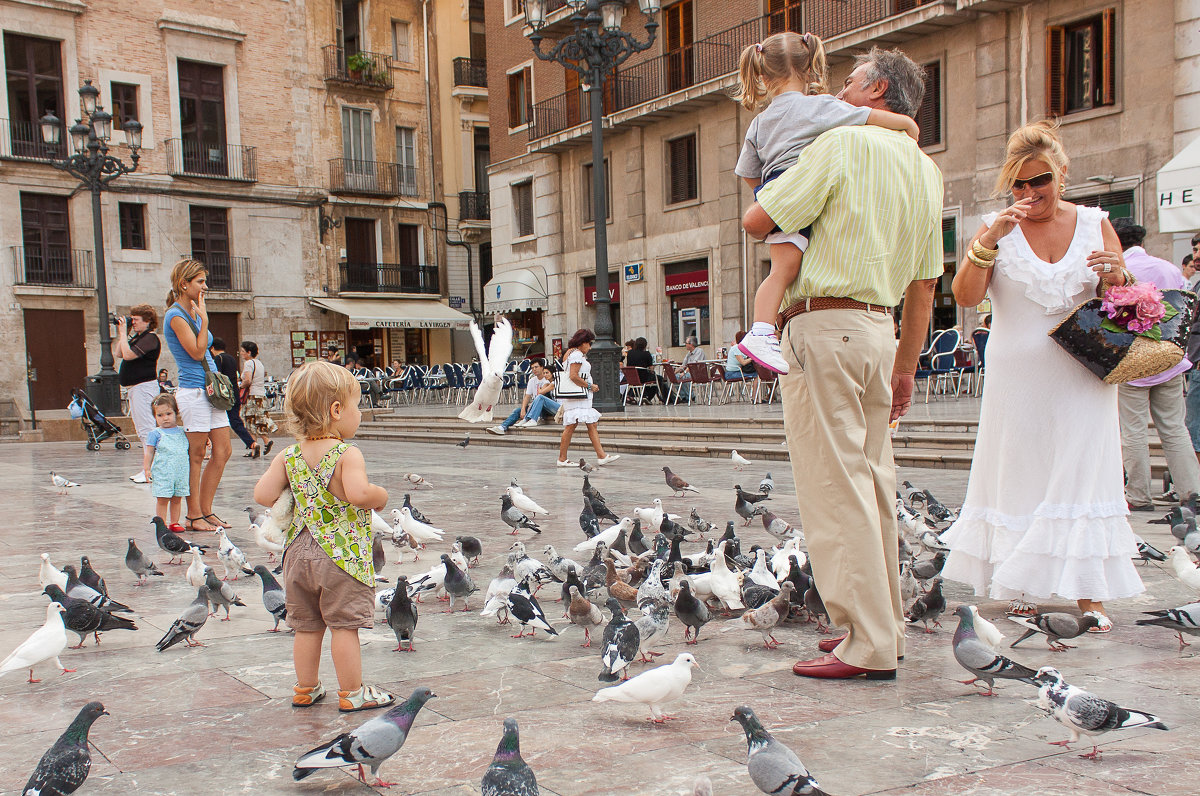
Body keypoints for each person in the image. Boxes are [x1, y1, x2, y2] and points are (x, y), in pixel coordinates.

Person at [742, 46, 942, 680]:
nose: (841, 92)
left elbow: (758, 218)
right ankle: (886, 629)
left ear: (877, 89)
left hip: (823, 323)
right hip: (881, 332)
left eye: (852, 82)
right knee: (876, 482)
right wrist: (907, 365)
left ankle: (866, 642)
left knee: (836, 488)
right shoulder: (923, 168)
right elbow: (924, 286)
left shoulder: (835, 144)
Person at [940, 120, 1144, 632]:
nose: (1031, 193)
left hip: (1083, 372)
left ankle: (1088, 593)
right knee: (1021, 471)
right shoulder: (997, 226)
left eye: (1041, 180)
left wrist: (1116, 275)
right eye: (1020, 183)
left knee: (1084, 470)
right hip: (1017, 376)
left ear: (1062, 174)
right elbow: (966, 297)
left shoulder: (1097, 222)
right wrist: (988, 239)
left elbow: (1124, 301)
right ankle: (1020, 584)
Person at [733, 32, 919, 376]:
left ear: (762, 75)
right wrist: (907, 125)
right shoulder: (820, 107)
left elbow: (747, 172)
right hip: (798, 184)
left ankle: (762, 330)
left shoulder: (759, 122)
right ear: (810, 69)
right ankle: (760, 331)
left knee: (780, 269)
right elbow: (868, 117)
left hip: (774, 189)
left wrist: (766, 193)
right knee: (784, 271)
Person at [253, 360, 393, 712]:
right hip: (340, 555)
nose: (359, 413)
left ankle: (306, 688)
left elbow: (262, 495)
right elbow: (359, 494)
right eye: (356, 405)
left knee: (307, 626)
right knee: (344, 626)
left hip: (298, 553)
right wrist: (380, 495)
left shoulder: (288, 455)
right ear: (335, 411)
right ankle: (352, 693)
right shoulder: (347, 453)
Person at [1109, 218, 1200, 509]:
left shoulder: (1121, 272)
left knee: (1133, 430)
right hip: (1169, 358)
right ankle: (1191, 492)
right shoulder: (1170, 269)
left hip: (1134, 362)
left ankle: (1138, 495)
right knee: (1175, 428)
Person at [163, 258, 232, 533]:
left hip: (210, 389)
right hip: (193, 390)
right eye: (200, 282)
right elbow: (195, 351)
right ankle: (193, 515)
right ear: (184, 284)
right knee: (197, 453)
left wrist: (200, 317)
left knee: (223, 450)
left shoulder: (192, 312)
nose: (205, 286)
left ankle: (206, 509)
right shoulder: (176, 315)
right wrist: (204, 321)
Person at [556, 328, 620, 467]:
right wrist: (590, 385)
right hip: (578, 395)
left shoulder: (570, 352)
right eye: (588, 343)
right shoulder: (577, 355)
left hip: (577, 396)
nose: (590, 347)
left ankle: (601, 455)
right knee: (572, 425)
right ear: (582, 342)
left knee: (589, 424)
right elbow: (573, 375)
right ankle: (562, 458)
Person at [113, 304, 161, 483]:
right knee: (142, 430)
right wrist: (123, 333)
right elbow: (118, 352)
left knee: (147, 429)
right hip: (135, 388)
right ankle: (147, 468)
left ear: (147, 321)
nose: (133, 323)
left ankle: (151, 470)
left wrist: (124, 332)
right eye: (131, 319)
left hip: (144, 387)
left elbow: (128, 355)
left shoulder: (151, 338)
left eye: (136, 320)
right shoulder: (138, 338)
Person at [143, 392, 190, 529]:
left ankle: (174, 522)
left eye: (168, 414)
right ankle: (162, 524)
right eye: (160, 415)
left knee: (177, 499)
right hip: (163, 472)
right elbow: (149, 452)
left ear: (176, 413)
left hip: (180, 472)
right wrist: (146, 468)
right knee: (162, 499)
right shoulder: (155, 434)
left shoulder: (183, 431)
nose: (165, 418)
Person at [211, 338, 257, 458]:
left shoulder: (218, 359)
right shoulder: (231, 358)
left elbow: (217, 376)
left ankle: (251, 443)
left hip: (224, 395)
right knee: (235, 420)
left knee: (221, 421)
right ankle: (251, 443)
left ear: (212, 348)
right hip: (235, 393)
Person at [487, 359, 558, 435]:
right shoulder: (532, 380)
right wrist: (523, 409)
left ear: (542, 367)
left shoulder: (547, 380)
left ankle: (529, 419)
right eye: (532, 368)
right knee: (518, 410)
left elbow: (541, 395)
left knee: (539, 398)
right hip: (536, 407)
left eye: (536, 367)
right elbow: (527, 396)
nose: (534, 369)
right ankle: (502, 427)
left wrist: (532, 404)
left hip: (545, 408)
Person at [239, 340, 278, 457]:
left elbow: (248, 380)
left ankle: (254, 447)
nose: (241, 353)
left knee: (249, 421)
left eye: (242, 351)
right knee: (258, 421)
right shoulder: (259, 363)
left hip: (252, 396)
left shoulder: (249, 364)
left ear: (249, 352)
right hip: (261, 395)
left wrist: (240, 386)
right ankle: (264, 442)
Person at [625, 337, 666, 403]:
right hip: (643, 378)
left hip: (632, 378)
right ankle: (652, 397)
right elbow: (651, 369)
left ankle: (644, 396)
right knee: (659, 378)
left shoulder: (630, 353)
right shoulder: (646, 354)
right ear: (645, 345)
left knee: (653, 378)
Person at [674, 336, 707, 401]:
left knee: (685, 376)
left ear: (691, 344)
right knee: (676, 377)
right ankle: (683, 397)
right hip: (689, 372)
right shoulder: (688, 354)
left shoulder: (699, 351)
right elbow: (683, 365)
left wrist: (684, 372)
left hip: (698, 373)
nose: (685, 345)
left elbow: (693, 365)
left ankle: (691, 396)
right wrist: (674, 372)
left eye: (686, 343)